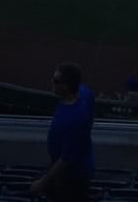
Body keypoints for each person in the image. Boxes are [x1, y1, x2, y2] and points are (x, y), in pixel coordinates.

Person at [31, 63, 93, 202]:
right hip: (68, 166)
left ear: (66, 86)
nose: (52, 83)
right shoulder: (83, 94)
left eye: (56, 81)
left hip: (71, 175)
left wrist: (42, 182)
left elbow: (66, 160)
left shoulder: (75, 118)